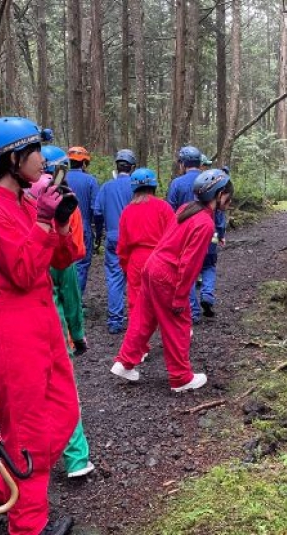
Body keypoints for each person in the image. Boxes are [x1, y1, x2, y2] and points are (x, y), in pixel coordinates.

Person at [0, 117, 80, 535]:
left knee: (63, 415)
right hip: (12, 330)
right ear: (12, 159)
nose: (43, 161)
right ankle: (27, 525)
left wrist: (60, 224)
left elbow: (60, 261)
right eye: (35, 152)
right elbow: (20, 270)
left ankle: (2, 489)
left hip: (42, 322)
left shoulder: (29, 201)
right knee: (29, 433)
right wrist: (44, 225)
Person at [111, 169, 234, 392]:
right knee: (178, 322)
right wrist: (179, 298)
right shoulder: (205, 224)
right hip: (166, 272)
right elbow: (190, 264)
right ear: (218, 194)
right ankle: (180, 377)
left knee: (143, 317)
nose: (229, 199)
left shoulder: (186, 209)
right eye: (227, 194)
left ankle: (125, 362)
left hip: (151, 265)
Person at [31, 146, 94, 479]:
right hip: (51, 323)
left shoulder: (12, 215)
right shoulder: (52, 224)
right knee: (63, 392)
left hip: (21, 327)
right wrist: (78, 334)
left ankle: (33, 459)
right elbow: (68, 287)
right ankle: (75, 456)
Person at [116, 168, 175, 319]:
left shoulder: (127, 211)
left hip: (136, 260)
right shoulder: (164, 207)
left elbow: (122, 245)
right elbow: (174, 238)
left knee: (136, 303)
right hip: (160, 259)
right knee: (165, 300)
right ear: (154, 186)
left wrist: (125, 266)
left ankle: (138, 340)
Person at [92, 150, 136, 334]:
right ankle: (137, 319)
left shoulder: (107, 187)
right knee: (135, 279)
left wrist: (99, 235)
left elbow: (97, 212)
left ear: (116, 167)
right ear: (132, 168)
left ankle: (115, 321)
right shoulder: (136, 186)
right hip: (135, 238)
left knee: (115, 279)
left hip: (113, 238)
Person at [166, 145, 205, 322]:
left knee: (184, 269)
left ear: (183, 164)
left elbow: (170, 211)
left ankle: (193, 309)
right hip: (204, 230)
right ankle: (199, 302)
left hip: (183, 235)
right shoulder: (206, 179)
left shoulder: (177, 183)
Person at [66, 146, 100, 293]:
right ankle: (77, 301)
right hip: (82, 227)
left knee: (63, 266)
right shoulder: (91, 181)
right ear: (84, 163)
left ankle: (63, 301)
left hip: (61, 226)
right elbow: (96, 209)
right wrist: (97, 231)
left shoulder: (61, 178)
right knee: (81, 265)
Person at [197, 155, 226, 317]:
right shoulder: (212, 190)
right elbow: (220, 218)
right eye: (204, 165)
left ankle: (194, 306)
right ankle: (207, 294)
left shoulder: (199, 189)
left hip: (196, 235)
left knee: (200, 266)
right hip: (211, 235)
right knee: (209, 265)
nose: (206, 167)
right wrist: (221, 235)